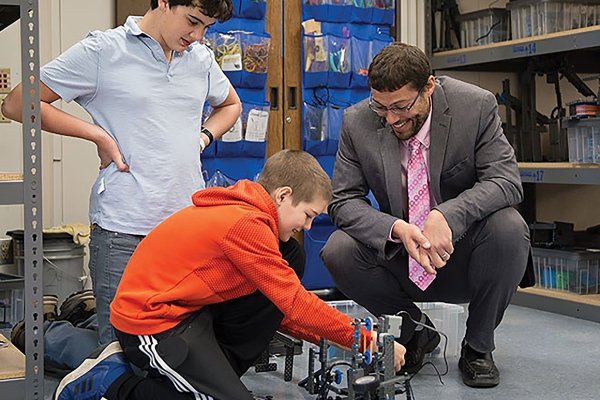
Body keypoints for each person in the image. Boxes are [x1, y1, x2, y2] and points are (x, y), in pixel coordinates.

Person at [52, 150, 406, 400]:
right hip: (152, 323)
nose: (307, 226)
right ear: (284, 195)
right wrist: (366, 340)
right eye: (308, 214)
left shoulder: (252, 219)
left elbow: (279, 309)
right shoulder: (245, 225)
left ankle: (194, 372)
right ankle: (111, 380)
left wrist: (328, 338)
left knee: (290, 256)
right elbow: (295, 303)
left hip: (189, 315)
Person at [1, 0, 242, 346]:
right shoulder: (104, 50)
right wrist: (96, 134)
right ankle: (45, 337)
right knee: (118, 349)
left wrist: (202, 138)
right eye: (192, 21)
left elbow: (231, 104)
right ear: (163, 2)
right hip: (123, 229)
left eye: (207, 27)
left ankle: (68, 325)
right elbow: (18, 102)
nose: (198, 35)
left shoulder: (200, 59)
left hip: (184, 229)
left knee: (173, 350)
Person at [320, 42, 535, 388]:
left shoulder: (475, 106)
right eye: (381, 107)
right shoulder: (356, 121)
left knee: (510, 227)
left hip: (463, 253)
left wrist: (447, 215)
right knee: (338, 248)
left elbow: (506, 181)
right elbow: (343, 201)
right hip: (401, 255)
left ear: (429, 87)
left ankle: (478, 347)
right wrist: (396, 229)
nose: (391, 118)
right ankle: (415, 333)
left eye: (401, 106)